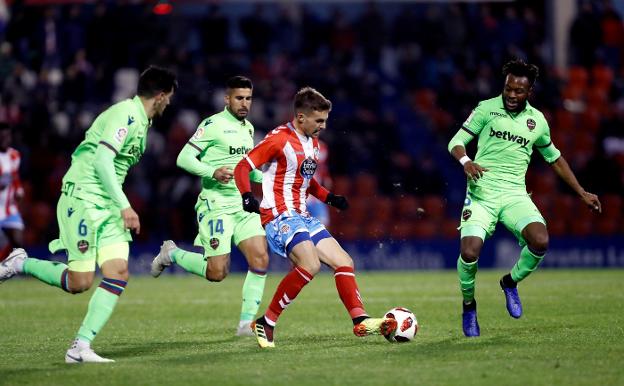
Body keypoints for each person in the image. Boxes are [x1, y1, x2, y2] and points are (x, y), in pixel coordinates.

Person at [0, 66, 178, 362]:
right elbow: (103, 162)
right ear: (160, 96)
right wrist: (124, 204)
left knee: (118, 272)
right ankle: (21, 263)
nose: (169, 103)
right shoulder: (126, 114)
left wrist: (116, 203)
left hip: (107, 202)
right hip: (83, 196)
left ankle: (80, 347)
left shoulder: (142, 123)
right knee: (79, 282)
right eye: (169, 97)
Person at [447, 59, 602, 337]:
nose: (512, 95)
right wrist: (466, 161)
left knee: (541, 241)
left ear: (529, 91)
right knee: (469, 252)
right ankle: (469, 306)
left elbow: (555, 159)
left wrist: (581, 192)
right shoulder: (486, 109)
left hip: (515, 194)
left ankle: (510, 282)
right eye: (508, 88)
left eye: (519, 91)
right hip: (482, 193)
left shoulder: (538, 121)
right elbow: (455, 142)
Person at [233, 87, 397, 348]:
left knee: (344, 262)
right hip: (279, 215)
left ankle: (360, 320)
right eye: (318, 120)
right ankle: (267, 322)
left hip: (303, 215)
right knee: (310, 265)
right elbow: (243, 166)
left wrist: (330, 198)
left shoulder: (314, 144)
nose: (322, 126)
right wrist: (245, 195)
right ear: (300, 117)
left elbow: (305, 181)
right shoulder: (278, 139)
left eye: (325, 121)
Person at [150, 76, 269, 337]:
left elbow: (245, 170)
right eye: (239, 98)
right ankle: (171, 254)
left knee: (260, 258)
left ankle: (246, 325)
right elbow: (184, 158)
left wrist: (268, 179)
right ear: (227, 99)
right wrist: (212, 171)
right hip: (216, 205)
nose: (244, 103)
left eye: (248, 98)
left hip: (243, 204)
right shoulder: (212, 125)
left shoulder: (249, 128)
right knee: (217, 273)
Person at [0, 123, 25, 261]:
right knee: (2, 243)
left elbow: (15, 175)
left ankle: (16, 268)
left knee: (18, 242)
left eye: (7, 136)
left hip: (9, 208)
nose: (5, 139)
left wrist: (19, 189)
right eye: (2, 136)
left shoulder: (14, 155)